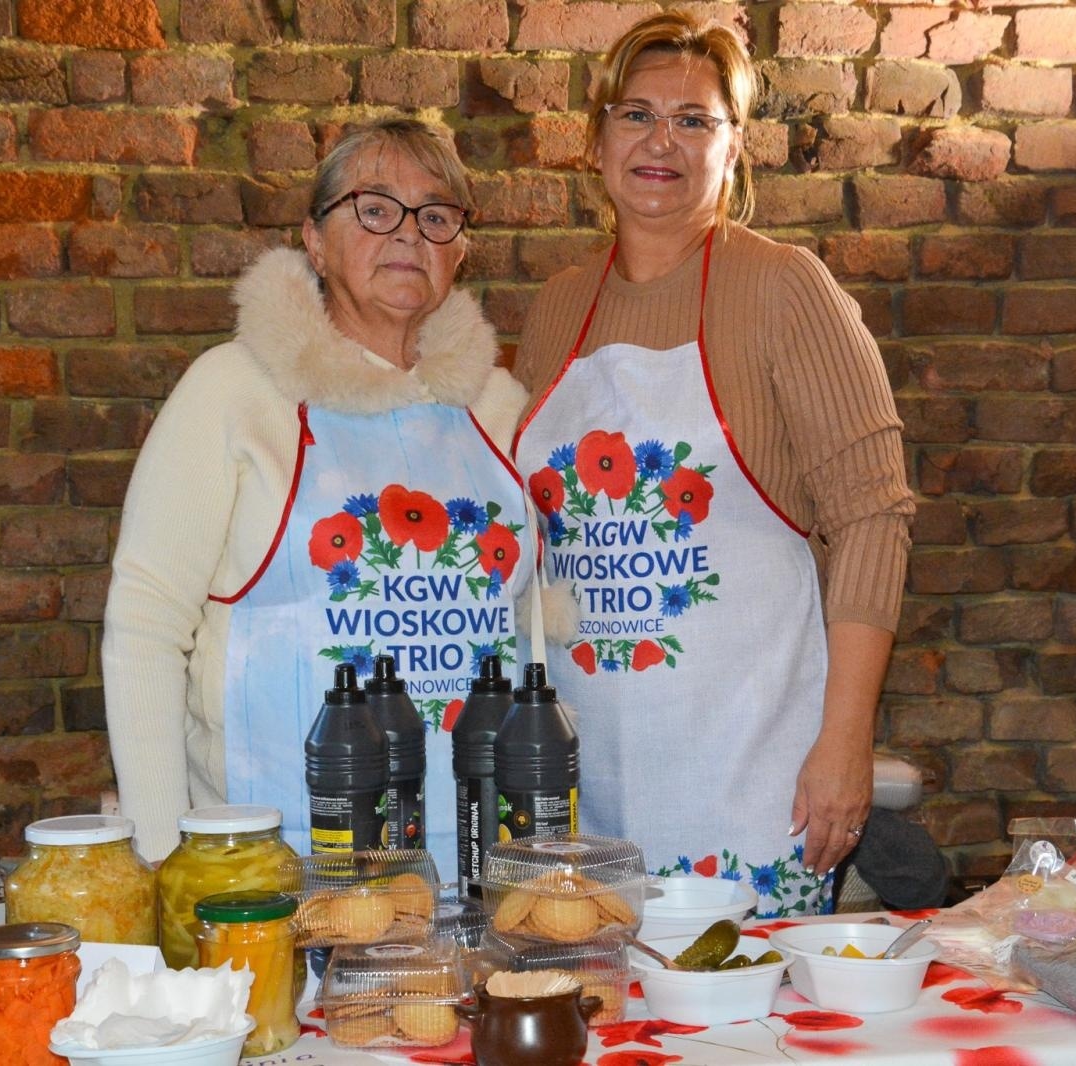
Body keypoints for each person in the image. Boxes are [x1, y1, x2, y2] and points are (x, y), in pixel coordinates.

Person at [512, 12, 913, 916]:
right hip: (587, 775)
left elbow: (873, 519)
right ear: (597, 140)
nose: (663, 141)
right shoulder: (555, 310)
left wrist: (845, 741)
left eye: (695, 121)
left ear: (735, 150)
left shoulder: (782, 287)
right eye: (637, 115)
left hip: (753, 771)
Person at [104, 116, 530, 869]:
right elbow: (144, 624)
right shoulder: (234, 392)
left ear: (460, 251)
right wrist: (165, 858)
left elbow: (532, 639)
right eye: (375, 208)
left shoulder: (498, 412)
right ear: (313, 240)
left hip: (473, 867)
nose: (408, 235)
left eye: (436, 216)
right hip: (261, 876)